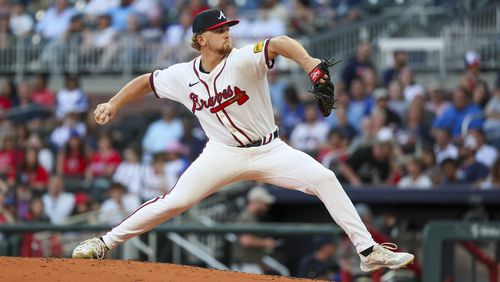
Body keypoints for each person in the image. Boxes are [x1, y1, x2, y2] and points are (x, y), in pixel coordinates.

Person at [72, 9, 414, 272]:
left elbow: (278, 43)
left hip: (270, 150)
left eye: (227, 28)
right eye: (219, 30)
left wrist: (309, 63)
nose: (226, 34)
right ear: (200, 39)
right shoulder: (183, 75)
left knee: (325, 178)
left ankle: (368, 252)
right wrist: (114, 102)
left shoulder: (242, 59)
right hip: (221, 154)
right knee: (175, 202)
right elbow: (147, 81)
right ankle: (104, 242)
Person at [230, 186, 279, 274]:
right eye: (265, 204)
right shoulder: (247, 217)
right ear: (257, 203)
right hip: (246, 266)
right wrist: (266, 243)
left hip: (249, 265)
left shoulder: (251, 217)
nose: (267, 208)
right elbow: (246, 241)